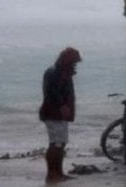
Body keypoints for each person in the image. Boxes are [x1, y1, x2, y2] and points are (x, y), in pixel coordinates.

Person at [39, 47, 82, 183]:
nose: (74, 65)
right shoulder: (56, 73)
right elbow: (53, 93)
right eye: (73, 62)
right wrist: (63, 106)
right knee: (56, 143)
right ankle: (52, 173)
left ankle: (58, 172)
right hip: (54, 113)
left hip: (57, 113)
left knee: (60, 143)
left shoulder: (59, 72)